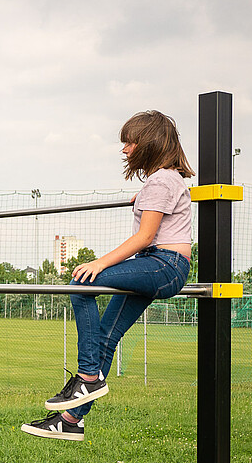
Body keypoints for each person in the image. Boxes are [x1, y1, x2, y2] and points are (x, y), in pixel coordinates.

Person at [21, 110, 194, 441]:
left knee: (81, 283)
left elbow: (145, 238)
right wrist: (143, 198)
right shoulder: (166, 180)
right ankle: (71, 420)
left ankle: (88, 377)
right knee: (105, 335)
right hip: (160, 266)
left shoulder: (160, 182)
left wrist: (98, 263)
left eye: (131, 142)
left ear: (151, 143)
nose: (126, 149)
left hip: (162, 264)